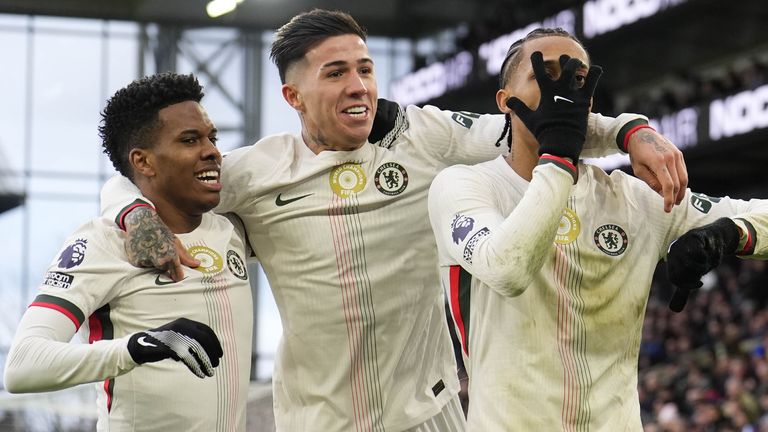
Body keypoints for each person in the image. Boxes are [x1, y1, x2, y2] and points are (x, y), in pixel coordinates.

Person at [100, 10, 689, 431]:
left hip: (432, 413)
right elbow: (138, 179)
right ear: (293, 96)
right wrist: (134, 214)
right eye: (335, 73)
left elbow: (537, 119)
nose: (358, 85)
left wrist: (631, 131)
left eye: (365, 68)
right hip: (316, 420)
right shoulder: (255, 173)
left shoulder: (424, 136)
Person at [427, 27, 768, 430]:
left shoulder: (634, 199)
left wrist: (728, 234)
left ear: (588, 101)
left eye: (576, 79)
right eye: (544, 75)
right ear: (505, 101)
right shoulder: (464, 186)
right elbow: (508, 269)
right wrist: (559, 157)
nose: (561, 92)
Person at [4, 73, 253, 432]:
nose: (213, 151)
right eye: (189, 140)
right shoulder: (103, 242)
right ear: (143, 162)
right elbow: (23, 366)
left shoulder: (233, 229)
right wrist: (139, 346)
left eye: (212, 137)